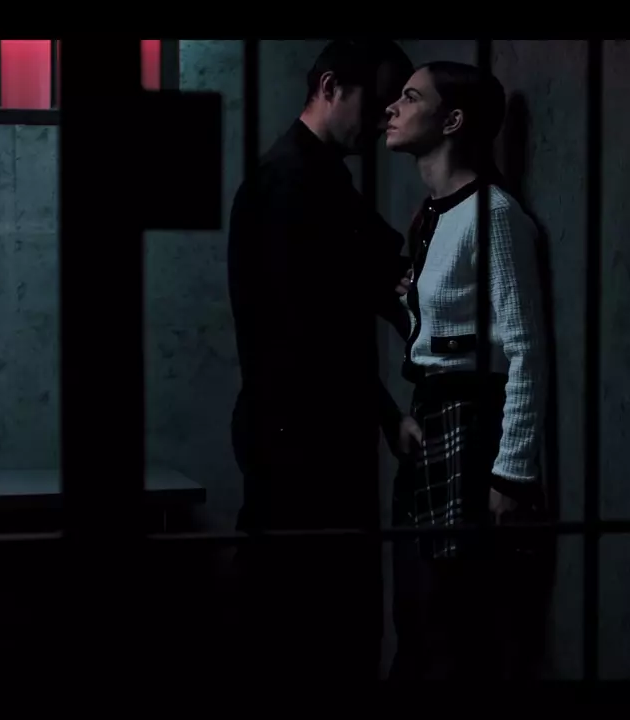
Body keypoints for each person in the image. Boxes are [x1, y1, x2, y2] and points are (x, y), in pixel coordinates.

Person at [225, 39, 414, 680]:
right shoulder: (290, 182)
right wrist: (386, 413)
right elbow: (306, 334)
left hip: (308, 431)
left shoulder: (318, 176)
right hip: (299, 440)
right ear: (331, 87)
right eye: (378, 103)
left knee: (315, 621)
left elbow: (374, 270)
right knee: (305, 626)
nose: (386, 119)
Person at [383, 61, 551, 680]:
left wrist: (512, 472)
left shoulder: (493, 214)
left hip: (472, 422)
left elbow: (525, 349)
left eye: (410, 97)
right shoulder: (433, 213)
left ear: (452, 120)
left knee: (451, 615)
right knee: (417, 608)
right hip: (432, 415)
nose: (392, 109)